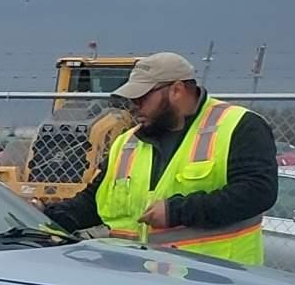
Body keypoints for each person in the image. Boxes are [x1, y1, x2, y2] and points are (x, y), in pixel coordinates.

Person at [43, 51, 275, 264]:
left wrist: (177, 212)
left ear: (176, 90)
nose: (134, 107)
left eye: (141, 98)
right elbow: (92, 202)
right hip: (144, 280)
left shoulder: (239, 126)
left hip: (219, 280)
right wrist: (42, 216)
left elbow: (257, 192)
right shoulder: (127, 142)